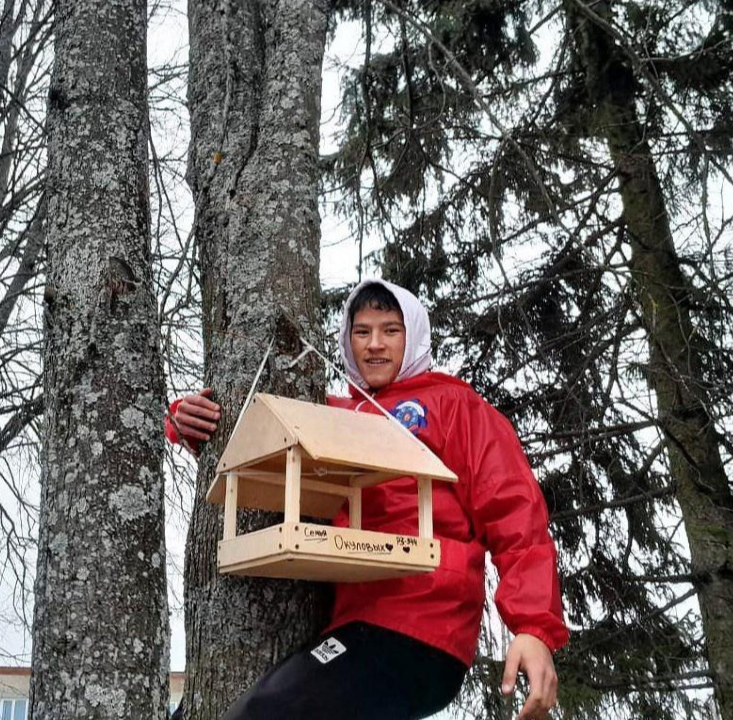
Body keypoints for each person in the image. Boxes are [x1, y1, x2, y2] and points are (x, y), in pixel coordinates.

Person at [166, 279, 568, 720]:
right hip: (352, 624)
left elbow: (517, 516)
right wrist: (187, 419)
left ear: (412, 335)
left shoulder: (456, 406)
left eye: (391, 330)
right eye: (362, 332)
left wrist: (533, 628)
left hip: (423, 626)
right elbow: (265, 442)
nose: (375, 345)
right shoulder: (335, 411)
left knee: (266, 714)